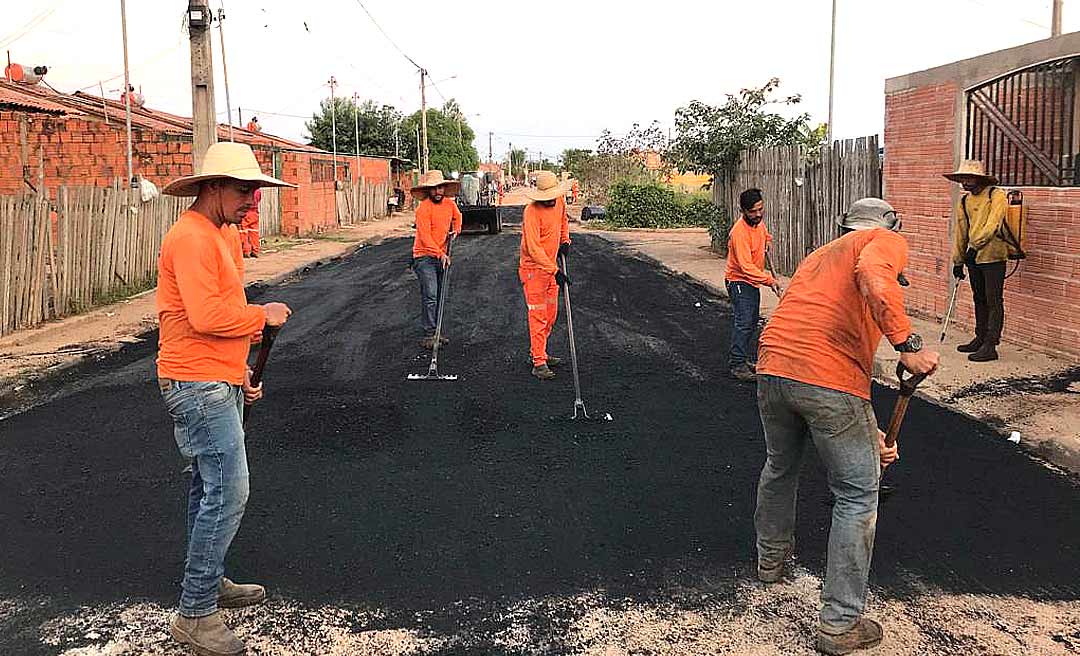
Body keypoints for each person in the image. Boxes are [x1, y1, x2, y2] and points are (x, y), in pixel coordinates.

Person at [753, 198, 940, 655]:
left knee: (780, 466)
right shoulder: (883, 240)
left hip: (774, 367)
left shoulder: (819, 255)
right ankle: (839, 625)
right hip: (825, 376)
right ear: (889, 225)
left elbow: (835, 387)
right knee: (858, 492)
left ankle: (770, 564)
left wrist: (871, 433)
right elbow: (876, 279)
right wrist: (908, 344)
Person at [157, 142, 294, 656]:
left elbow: (220, 311)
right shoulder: (191, 238)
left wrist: (239, 371)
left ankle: (209, 580)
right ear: (212, 187)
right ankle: (194, 613)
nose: (252, 203)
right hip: (194, 383)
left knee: (207, 488)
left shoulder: (221, 234)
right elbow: (206, 318)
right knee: (228, 492)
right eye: (243, 192)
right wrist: (264, 316)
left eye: (256, 193)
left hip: (217, 377)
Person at [944, 160, 1008, 362]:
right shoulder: (964, 201)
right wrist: (958, 260)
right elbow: (961, 232)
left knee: (993, 299)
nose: (965, 182)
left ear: (980, 179)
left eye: (969, 178)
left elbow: (993, 225)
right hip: (973, 258)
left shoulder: (996, 195)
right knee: (978, 297)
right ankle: (980, 337)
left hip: (993, 256)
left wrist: (975, 246)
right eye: (962, 178)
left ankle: (991, 344)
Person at [725, 188, 783, 382]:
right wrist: (770, 280)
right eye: (753, 211)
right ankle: (737, 364)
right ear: (743, 210)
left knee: (750, 322)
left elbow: (765, 234)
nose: (758, 214)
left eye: (760, 209)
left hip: (752, 282)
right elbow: (746, 267)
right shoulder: (738, 233)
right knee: (744, 322)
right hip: (739, 281)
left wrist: (767, 241)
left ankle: (741, 358)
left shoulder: (758, 224)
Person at [519, 170, 570, 380]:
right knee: (538, 316)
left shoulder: (559, 201)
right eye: (546, 198)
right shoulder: (531, 212)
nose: (550, 201)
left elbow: (563, 221)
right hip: (534, 270)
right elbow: (533, 248)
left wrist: (565, 241)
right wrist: (554, 270)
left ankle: (539, 352)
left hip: (550, 268)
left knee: (551, 314)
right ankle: (538, 362)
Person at [410, 170, 462, 349]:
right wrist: (440, 254)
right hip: (424, 257)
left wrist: (456, 230)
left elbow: (458, 217)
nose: (438, 192)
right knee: (431, 295)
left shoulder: (449, 204)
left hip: (441, 255)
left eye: (440, 188)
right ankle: (429, 334)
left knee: (440, 295)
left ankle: (437, 331)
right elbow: (424, 236)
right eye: (434, 189)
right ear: (428, 191)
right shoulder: (423, 209)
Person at [240, 188, 261, 257]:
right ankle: (255, 251)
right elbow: (259, 199)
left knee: (244, 232)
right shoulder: (258, 191)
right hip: (255, 212)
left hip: (246, 212)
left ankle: (246, 251)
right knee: (254, 232)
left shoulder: (246, 189)